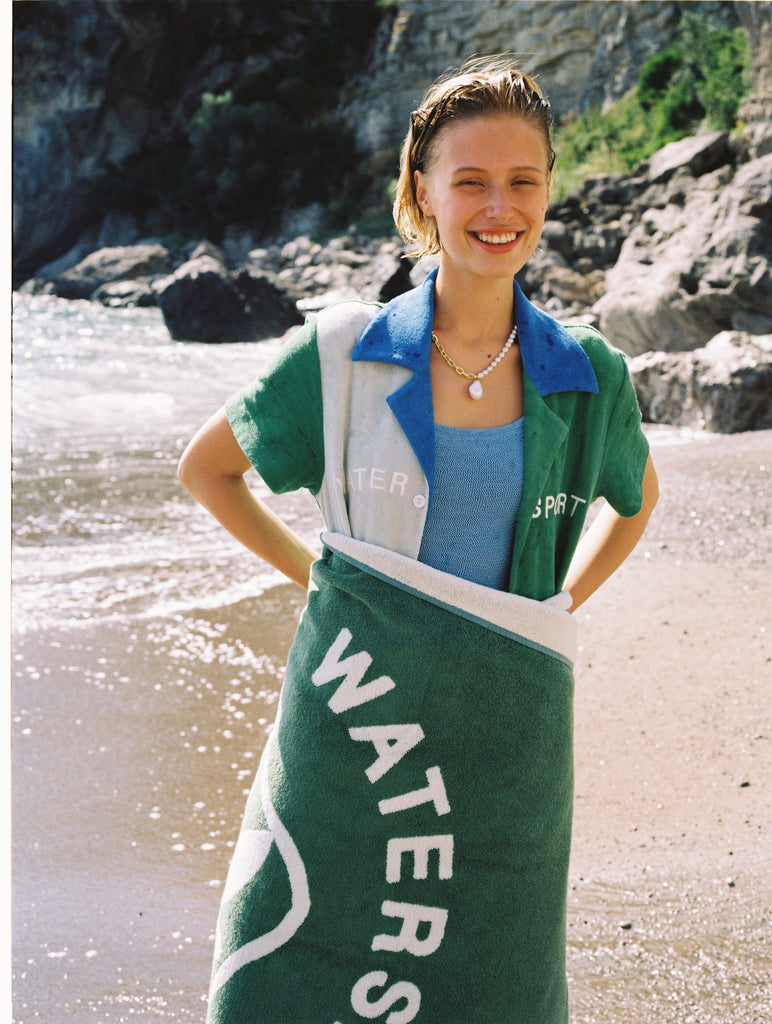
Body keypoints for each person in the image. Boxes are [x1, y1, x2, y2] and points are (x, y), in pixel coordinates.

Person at [179, 57, 658, 1024]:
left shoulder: (588, 375)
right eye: (470, 180)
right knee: (299, 949)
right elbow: (208, 469)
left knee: (492, 978)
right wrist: (324, 580)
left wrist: (559, 609)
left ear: (549, 191)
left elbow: (636, 501)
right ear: (421, 192)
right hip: (360, 725)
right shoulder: (338, 353)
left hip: (506, 749)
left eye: (523, 181)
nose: (499, 206)